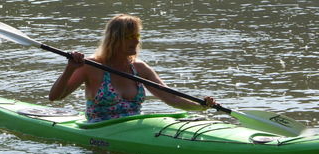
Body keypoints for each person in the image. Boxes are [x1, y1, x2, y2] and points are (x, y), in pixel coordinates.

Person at [49, 14, 216, 123]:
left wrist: (201, 106)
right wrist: (70, 69)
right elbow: (55, 97)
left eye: (137, 36)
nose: (136, 42)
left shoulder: (140, 68)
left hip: (133, 130)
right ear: (114, 39)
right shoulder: (91, 66)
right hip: (98, 131)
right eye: (129, 37)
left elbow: (172, 98)